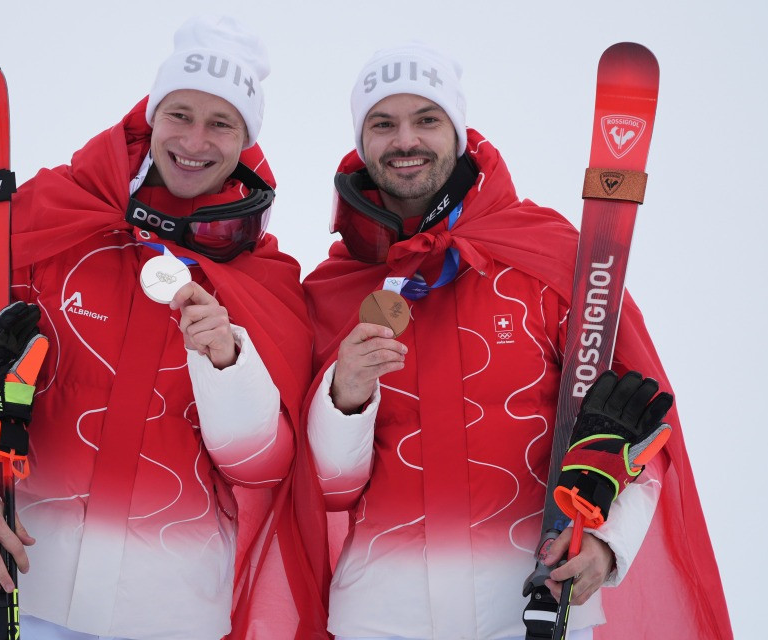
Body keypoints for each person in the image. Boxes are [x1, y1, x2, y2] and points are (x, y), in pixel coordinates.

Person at [0, 16, 326, 640]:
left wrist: (227, 364)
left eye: (222, 123)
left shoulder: (264, 280)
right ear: (151, 115)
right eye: (180, 114)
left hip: (175, 617)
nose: (195, 139)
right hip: (28, 597)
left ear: (246, 139)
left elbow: (268, 470)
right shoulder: (52, 217)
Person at [301, 42, 731, 639]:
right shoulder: (334, 289)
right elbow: (325, 489)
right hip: (381, 617)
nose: (406, 140)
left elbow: (641, 429)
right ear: (361, 140)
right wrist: (344, 396)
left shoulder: (548, 257)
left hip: (536, 606)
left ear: (458, 131)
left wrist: (606, 545)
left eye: (427, 119)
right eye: (382, 123)